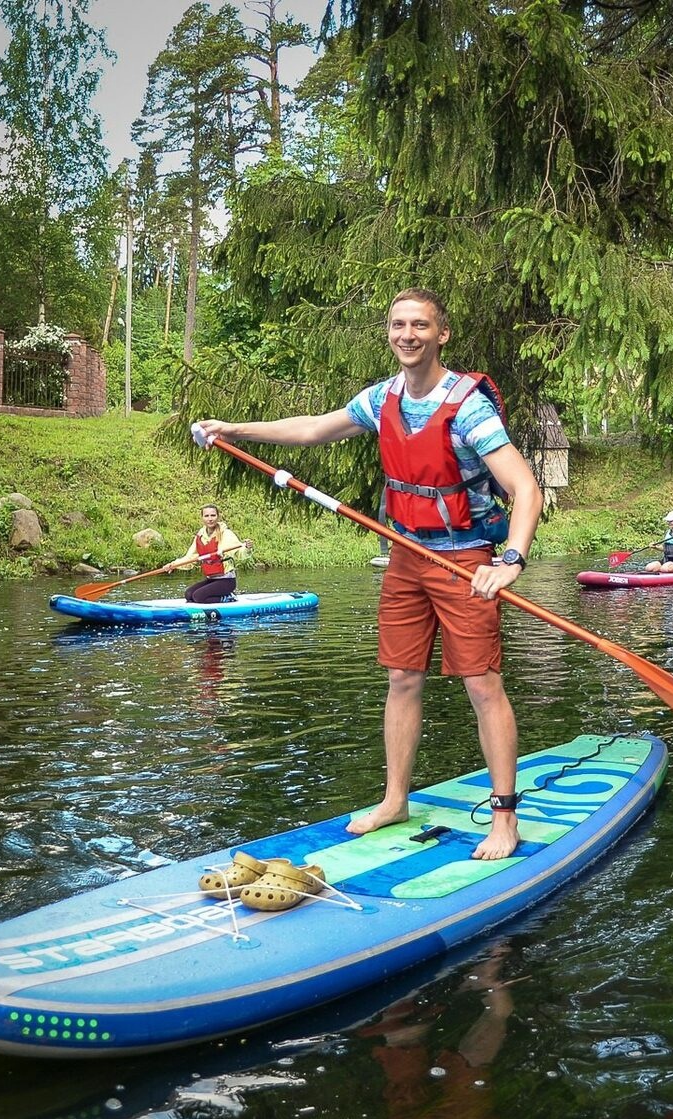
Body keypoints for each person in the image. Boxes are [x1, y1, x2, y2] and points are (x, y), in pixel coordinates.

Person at [193, 287, 542, 860]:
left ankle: (504, 819)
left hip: (465, 557)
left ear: (442, 334)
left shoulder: (469, 407)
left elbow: (524, 489)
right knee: (402, 678)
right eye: (398, 324)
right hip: (406, 553)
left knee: (482, 685)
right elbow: (313, 428)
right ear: (389, 332)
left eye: (420, 325)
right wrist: (236, 428)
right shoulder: (382, 398)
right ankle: (394, 799)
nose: (408, 334)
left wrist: (510, 562)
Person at [169, 504, 249, 603]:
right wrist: (173, 565)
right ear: (202, 518)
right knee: (189, 594)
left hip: (226, 581)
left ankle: (229, 597)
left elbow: (239, 553)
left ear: (218, 517)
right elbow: (190, 558)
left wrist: (246, 548)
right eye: (206, 516)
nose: (210, 519)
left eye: (213, 515)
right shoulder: (200, 536)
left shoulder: (226, 534)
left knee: (198, 597)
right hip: (211, 579)